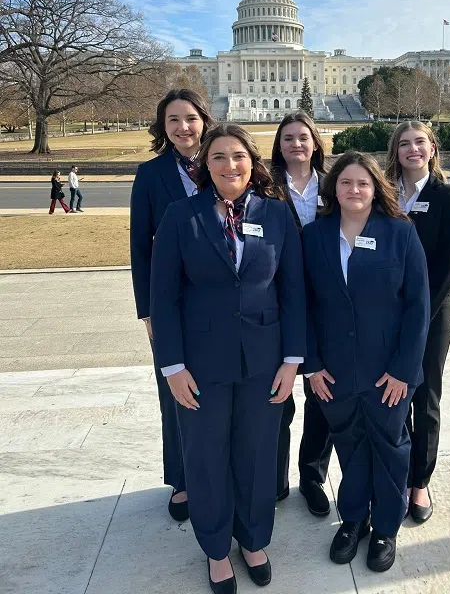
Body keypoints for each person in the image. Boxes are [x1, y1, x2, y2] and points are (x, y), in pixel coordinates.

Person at [150, 123, 306, 593]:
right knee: (206, 455)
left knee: (257, 454)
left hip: (265, 361)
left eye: (238, 155)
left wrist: (291, 360)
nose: (229, 165)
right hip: (200, 365)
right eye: (218, 156)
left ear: (252, 162)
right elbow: (164, 298)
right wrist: (173, 367)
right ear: (205, 165)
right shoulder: (181, 216)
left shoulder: (276, 215)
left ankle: (253, 539)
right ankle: (217, 549)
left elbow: (293, 291)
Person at [302, 151, 430, 573]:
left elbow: (417, 306)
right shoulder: (315, 235)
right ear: (332, 189)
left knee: (390, 448)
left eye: (362, 183)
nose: (353, 190)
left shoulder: (400, 232)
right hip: (334, 371)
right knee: (350, 445)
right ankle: (354, 519)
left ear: (376, 189)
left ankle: (385, 528)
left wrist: (404, 370)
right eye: (345, 183)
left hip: (388, 371)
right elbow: (303, 304)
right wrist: (314, 364)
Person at [130, 88, 215, 522]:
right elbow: (140, 245)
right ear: (163, 128)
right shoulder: (150, 174)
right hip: (170, 300)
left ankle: (216, 474)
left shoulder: (225, 163)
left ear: (204, 119)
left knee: (216, 390)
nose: (183, 127)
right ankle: (182, 479)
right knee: (175, 391)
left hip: (219, 299)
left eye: (190, 118)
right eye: (173, 120)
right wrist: (146, 309)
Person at [386, 121, 450, 524]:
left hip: (430, 317)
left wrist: (418, 319)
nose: (412, 150)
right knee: (393, 400)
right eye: (404, 144)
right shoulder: (384, 193)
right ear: (395, 151)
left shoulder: (445, 196)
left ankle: (420, 481)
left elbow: (448, 268)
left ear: (432, 149)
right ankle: (396, 474)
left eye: (420, 143)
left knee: (425, 399)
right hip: (387, 316)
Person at [269, 111, 333, 517]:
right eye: (288, 138)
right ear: (279, 145)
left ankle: (312, 476)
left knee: (322, 395)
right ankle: (274, 480)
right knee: (276, 397)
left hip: (326, 303)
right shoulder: (265, 188)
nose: (296, 144)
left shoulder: (333, 183)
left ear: (315, 143)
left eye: (303, 137)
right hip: (276, 301)